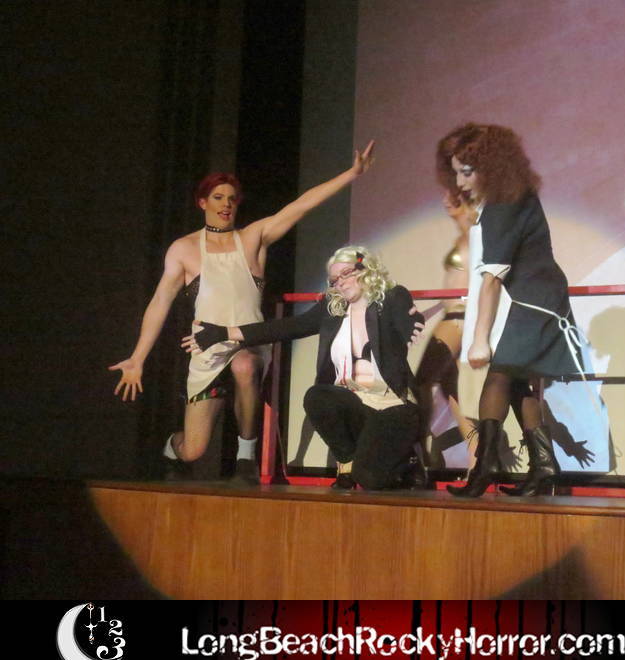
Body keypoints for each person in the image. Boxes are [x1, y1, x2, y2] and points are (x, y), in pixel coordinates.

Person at [109, 142, 375, 483]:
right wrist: (137, 358)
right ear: (203, 203)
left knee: (246, 365)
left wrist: (351, 174)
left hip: (248, 341)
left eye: (232, 199)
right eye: (218, 198)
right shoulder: (184, 249)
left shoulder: (252, 238)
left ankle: (245, 456)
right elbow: (160, 302)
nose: (226, 204)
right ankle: (173, 449)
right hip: (207, 347)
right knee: (194, 450)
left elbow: (300, 206)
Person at [183, 246, 426, 491]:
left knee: (370, 479)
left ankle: (408, 462)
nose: (341, 282)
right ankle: (347, 463)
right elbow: (288, 327)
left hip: (392, 405)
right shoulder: (333, 309)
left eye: (346, 273)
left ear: (365, 269)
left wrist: (411, 324)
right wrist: (225, 333)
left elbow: (406, 315)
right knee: (318, 397)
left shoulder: (391, 298)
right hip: (358, 402)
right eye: (335, 279)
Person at [436, 123, 581, 498]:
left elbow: (492, 279)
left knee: (499, 374)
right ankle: (544, 467)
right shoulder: (509, 197)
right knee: (516, 380)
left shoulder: (503, 205)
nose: (460, 182)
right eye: (456, 173)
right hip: (536, 298)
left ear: (491, 167)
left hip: (529, 302)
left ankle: (483, 470)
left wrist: (479, 339)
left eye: (467, 172)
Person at [414, 193, 478, 471]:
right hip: (455, 313)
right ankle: (477, 457)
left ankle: (419, 449)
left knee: (422, 381)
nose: (445, 199)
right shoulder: (465, 236)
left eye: (454, 196)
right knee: (453, 388)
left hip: (461, 315)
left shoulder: (476, 235)